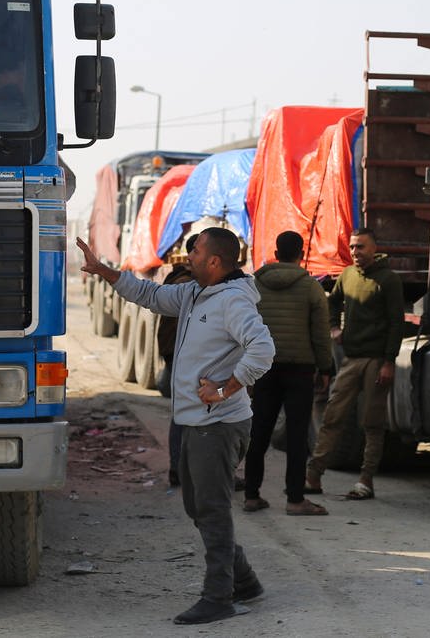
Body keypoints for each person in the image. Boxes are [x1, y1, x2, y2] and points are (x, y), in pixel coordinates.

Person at [77, 227, 273, 625]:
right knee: (195, 505)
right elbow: (150, 296)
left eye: (195, 251)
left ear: (215, 261)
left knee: (212, 509)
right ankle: (245, 580)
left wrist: (226, 385)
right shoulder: (195, 293)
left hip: (217, 425)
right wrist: (106, 272)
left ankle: (219, 597)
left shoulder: (233, 300)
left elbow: (263, 348)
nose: (188, 257)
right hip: (191, 422)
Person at [305, 227, 404, 501]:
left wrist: (388, 362)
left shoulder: (388, 280)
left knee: (372, 423)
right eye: (352, 247)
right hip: (351, 359)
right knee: (333, 416)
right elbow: (332, 302)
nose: (355, 252)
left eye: (361, 247)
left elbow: (397, 323)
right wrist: (334, 327)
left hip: (376, 360)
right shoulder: (347, 275)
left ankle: (365, 481)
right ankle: (313, 476)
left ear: (374, 249)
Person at [244, 231, 333, 516]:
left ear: (276, 251)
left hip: (263, 368)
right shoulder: (310, 287)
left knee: (259, 432)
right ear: (301, 253)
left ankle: (251, 495)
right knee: (296, 437)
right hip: (300, 369)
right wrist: (325, 367)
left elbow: (243, 325)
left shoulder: (255, 284)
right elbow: (321, 333)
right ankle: (295, 500)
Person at [157, 233, 199, 487]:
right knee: (187, 415)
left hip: (180, 354)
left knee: (184, 414)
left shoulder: (178, 280)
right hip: (184, 355)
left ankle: (180, 469)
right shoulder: (188, 285)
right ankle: (182, 470)